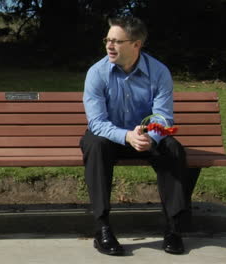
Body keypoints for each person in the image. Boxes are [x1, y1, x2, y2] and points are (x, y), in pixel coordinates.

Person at [79, 16, 190, 256]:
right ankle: (103, 229)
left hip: (145, 136)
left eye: (117, 41)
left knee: (172, 148)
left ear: (136, 44)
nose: (109, 46)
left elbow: (162, 116)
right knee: (94, 145)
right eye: (107, 40)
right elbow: (96, 123)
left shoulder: (158, 72)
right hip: (110, 137)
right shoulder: (96, 73)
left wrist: (152, 136)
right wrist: (127, 136)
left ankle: (174, 229)